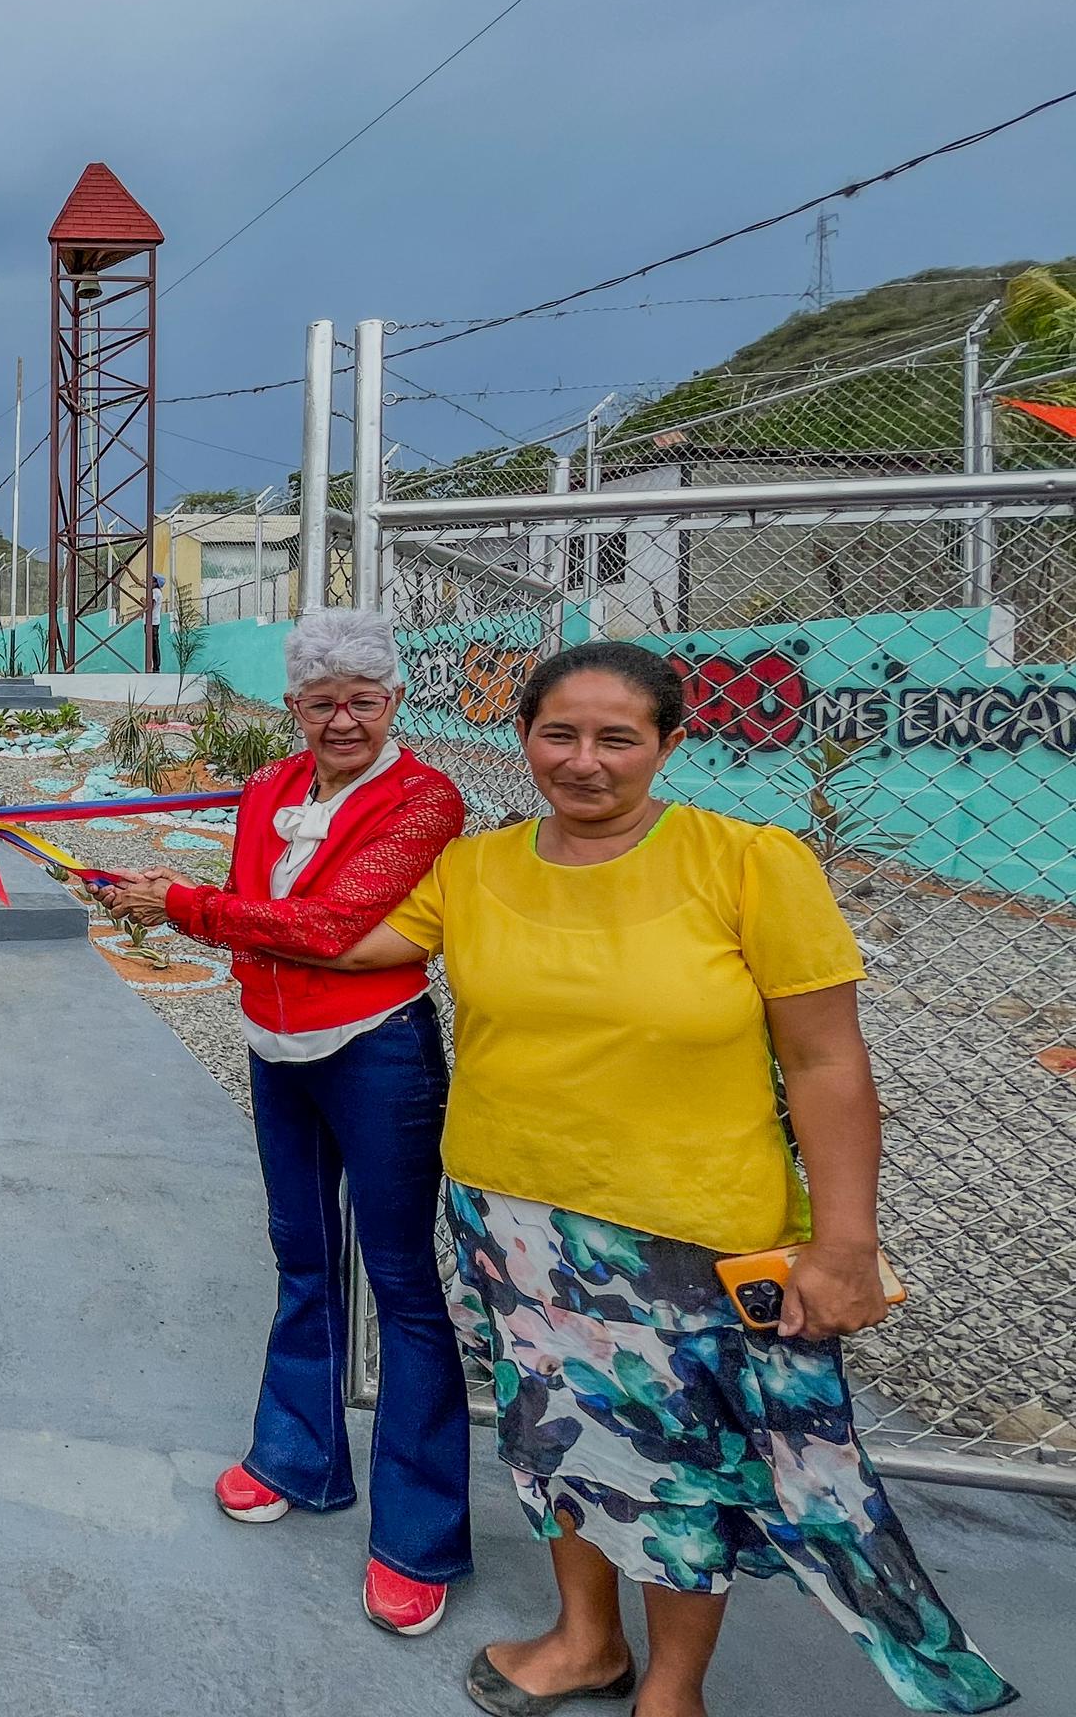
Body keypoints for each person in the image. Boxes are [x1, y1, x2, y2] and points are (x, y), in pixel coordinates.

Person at [321, 641, 1016, 1717]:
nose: (584, 761)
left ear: (669, 743)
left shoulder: (747, 861)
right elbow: (344, 940)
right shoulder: (473, 868)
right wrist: (185, 892)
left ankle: (673, 1689)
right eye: (559, 733)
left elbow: (827, 1062)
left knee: (682, 1473)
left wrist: (841, 1242)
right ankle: (584, 1641)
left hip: (687, 1235)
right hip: (512, 1220)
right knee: (552, 1433)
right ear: (524, 739)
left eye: (616, 737)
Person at [97, 607, 472, 1639]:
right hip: (275, 1049)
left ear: (394, 701)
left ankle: (418, 1533)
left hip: (377, 1049)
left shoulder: (424, 797)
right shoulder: (267, 786)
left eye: (362, 698)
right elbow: (248, 902)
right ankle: (295, 1458)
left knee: (399, 1282)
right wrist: (159, 898)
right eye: (320, 700)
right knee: (301, 1258)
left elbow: (329, 925)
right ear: (291, 706)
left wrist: (175, 902)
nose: (342, 718)